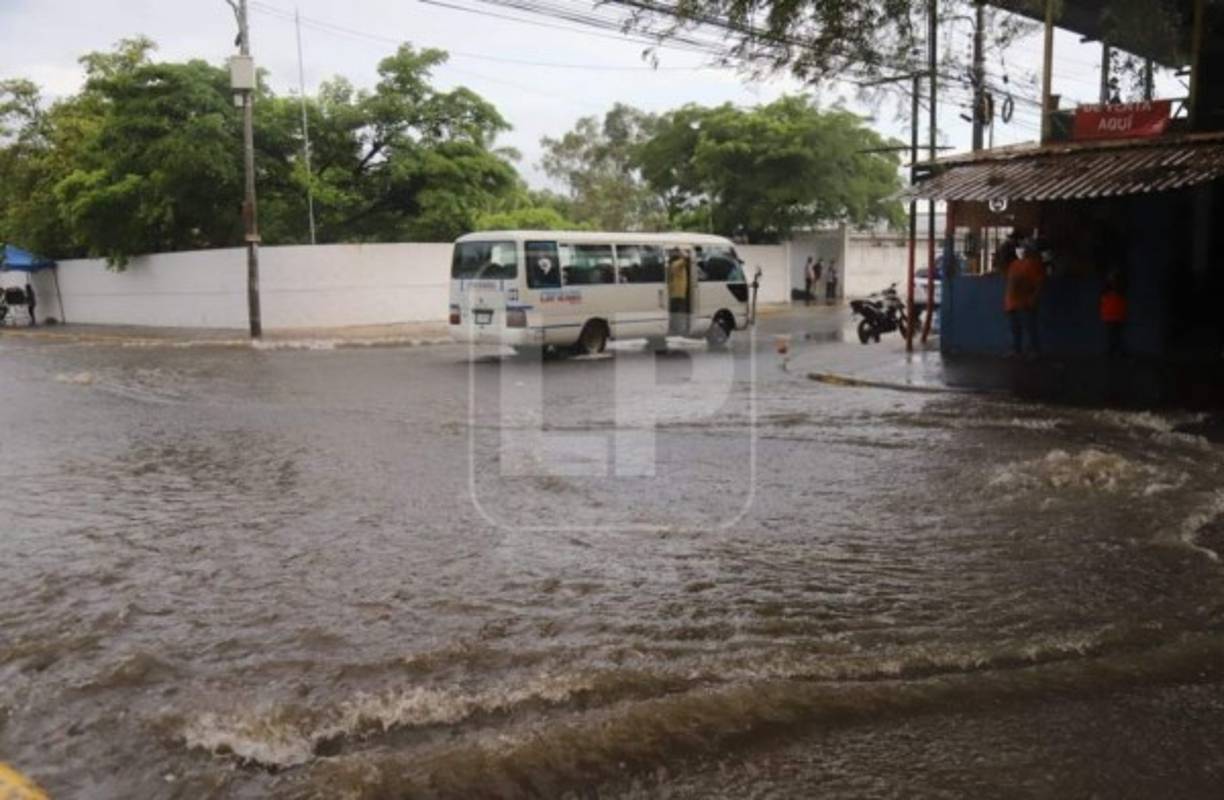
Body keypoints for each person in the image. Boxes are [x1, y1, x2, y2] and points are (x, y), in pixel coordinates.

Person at [1005, 238, 1046, 357]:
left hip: (1025, 303)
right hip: (1013, 302)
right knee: (1016, 329)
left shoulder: (1035, 265)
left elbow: (1039, 285)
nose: (1025, 251)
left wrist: (1034, 298)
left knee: (1029, 329)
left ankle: (1032, 351)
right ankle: (1017, 350)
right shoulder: (1015, 264)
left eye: (1027, 248)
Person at [1100, 271, 1127, 358]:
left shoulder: (1119, 291)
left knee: (1116, 335)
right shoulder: (1106, 292)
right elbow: (1103, 304)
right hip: (1111, 316)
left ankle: (1115, 351)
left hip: (1116, 316)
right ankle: (1113, 351)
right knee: (1113, 335)